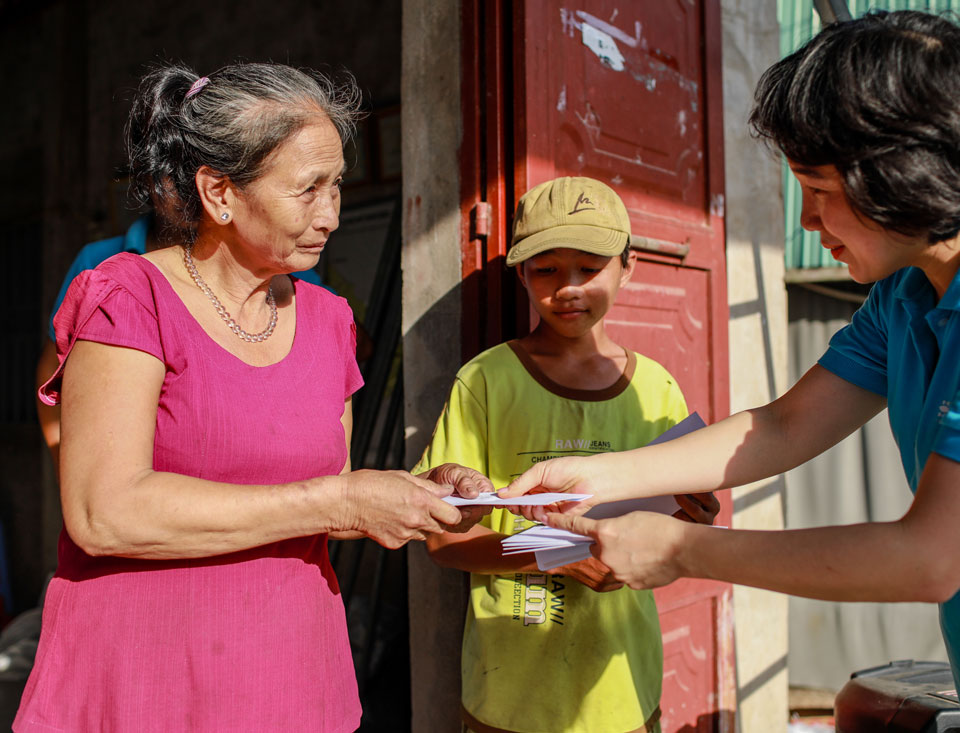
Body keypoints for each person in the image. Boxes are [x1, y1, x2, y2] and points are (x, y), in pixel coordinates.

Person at [501, 11, 960, 733]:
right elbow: (784, 424)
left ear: (904, 173)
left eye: (819, 190)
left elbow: (931, 555)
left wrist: (681, 548)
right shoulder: (907, 296)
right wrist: (601, 476)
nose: (807, 220)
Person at [15, 62, 490, 733]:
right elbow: (104, 510)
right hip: (147, 681)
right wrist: (341, 498)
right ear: (219, 192)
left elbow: (328, 495)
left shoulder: (330, 321)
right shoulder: (129, 295)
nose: (330, 214)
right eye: (307, 190)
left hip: (294, 679)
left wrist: (417, 494)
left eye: (337, 188)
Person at [414, 176, 719, 733]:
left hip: (622, 688)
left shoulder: (657, 390)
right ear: (522, 275)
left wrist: (685, 528)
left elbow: (675, 525)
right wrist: (557, 553)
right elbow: (441, 540)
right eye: (546, 269)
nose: (568, 287)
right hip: (510, 694)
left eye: (589, 266)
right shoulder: (486, 381)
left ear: (628, 266)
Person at [34, 212, 325, 471]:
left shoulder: (272, 268)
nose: (181, 186)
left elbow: (341, 336)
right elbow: (52, 365)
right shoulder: (99, 263)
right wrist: (69, 467)